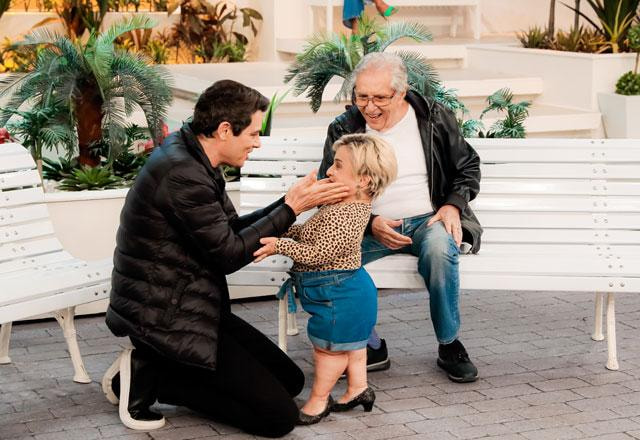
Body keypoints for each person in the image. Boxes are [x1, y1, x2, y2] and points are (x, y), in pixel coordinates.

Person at [101, 79, 350, 437]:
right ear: (224, 130)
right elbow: (230, 254)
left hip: (193, 304)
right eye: (252, 132)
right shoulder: (182, 173)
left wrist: (287, 204)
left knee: (291, 380)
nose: (257, 141)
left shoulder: (196, 156)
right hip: (164, 318)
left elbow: (229, 229)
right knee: (278, 419)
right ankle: (150, 376)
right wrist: (293, 208)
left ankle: (159, 371)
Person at [318, 52, 483, 383]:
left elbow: (468, 166)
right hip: (366, 225)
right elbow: (329, 187)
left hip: (429, 221)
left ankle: (449, 344)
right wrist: (370, 222)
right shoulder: (344, 127)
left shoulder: (434, 117)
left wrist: (452, 205)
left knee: (440, 251)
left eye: (380, 97)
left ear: (402, 91)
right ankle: (371, 345)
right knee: (325, 259)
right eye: (362, 97)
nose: (370, 106)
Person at [254, 133, 397, 425]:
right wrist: (284, 229)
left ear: (364, 181)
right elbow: (311, 235)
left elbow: (320, 252)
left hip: (339, 295)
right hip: (347, 291)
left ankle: (319, 401)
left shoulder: (347, 216)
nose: (329, 170)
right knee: (353, 347)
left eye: (339, 166)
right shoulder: (338, 207)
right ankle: (358, 389)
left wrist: (280, 244)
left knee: (329, 350)